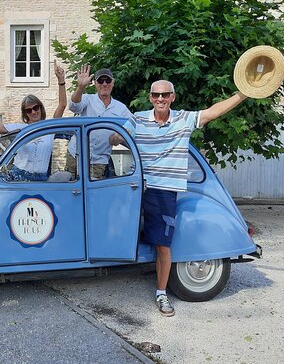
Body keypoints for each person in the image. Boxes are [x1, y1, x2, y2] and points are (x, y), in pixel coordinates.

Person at [111, 80, 247, 317]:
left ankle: (161, 292)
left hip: (163, 189)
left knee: (163, 244)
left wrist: (243, 94)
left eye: (165, 95)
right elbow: (116, 137)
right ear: (150, 97)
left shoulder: (183, 119)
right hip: (136, 187)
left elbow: (213, 111)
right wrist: (118, 137)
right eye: (155, 95)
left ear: (172, 97)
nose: (160, 99)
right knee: (117, 227)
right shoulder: (138, 118)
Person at [0, 63, 67, 181]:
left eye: (35, 108)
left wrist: (61, 81)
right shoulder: (20, 128)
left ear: (41, 108)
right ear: (25, 114)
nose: (33, 112)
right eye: (28, 110)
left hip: (41, 179)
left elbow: (62, 105)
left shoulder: (49, 128)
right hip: (19, 176)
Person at [66, 64, 132, 179]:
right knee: (71, 188)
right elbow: (73, 106)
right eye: (101, 81)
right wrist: (80, 88)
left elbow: (131, 127)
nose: (104, 84)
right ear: (95, 83)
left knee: (93, 193)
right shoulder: (87, 98)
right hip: (75, 154)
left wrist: (117, 138)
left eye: (108, 80)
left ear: (113, 83)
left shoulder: (121, 109)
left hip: (99, 160)